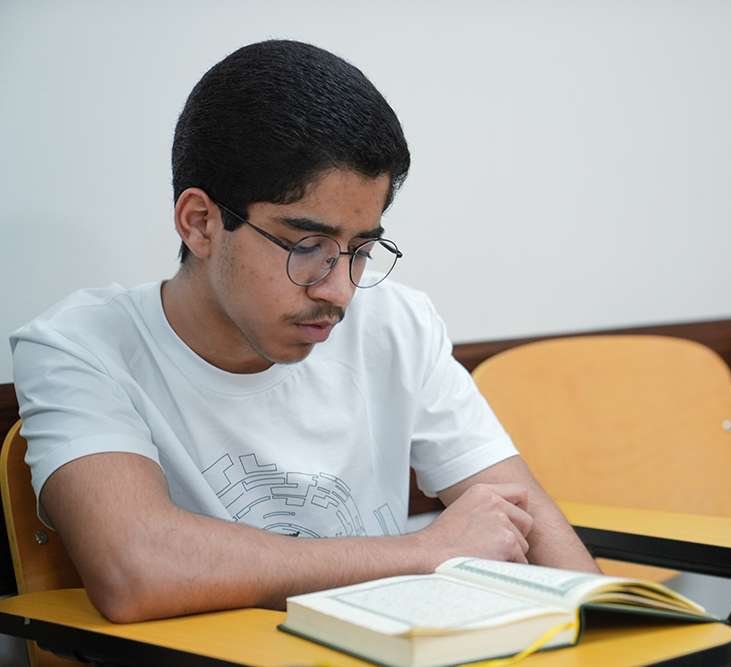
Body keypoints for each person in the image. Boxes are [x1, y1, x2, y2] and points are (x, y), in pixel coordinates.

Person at [10, 40, 598, 623]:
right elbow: (135, 569)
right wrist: (423, 552)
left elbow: (529, 523)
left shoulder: (397, 323)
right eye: (307, 246)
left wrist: (609, 625)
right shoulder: (81, 348)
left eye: (361, 249)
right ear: (201, 223)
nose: (339, 291)